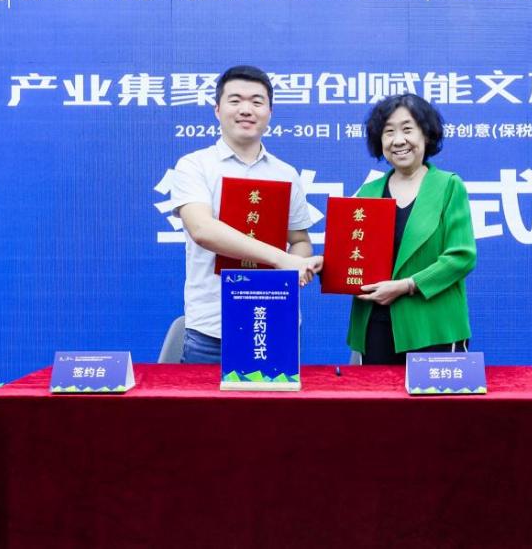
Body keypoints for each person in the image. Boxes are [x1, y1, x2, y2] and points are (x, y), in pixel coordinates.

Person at [170, 65, 322, 363]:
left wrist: (298, 265)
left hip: (276, 320)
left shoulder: (285, 173)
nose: (246, 109)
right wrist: (281, 259)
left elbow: (300, 240)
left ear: (269, 112)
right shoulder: (194, 165)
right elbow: (202, 229)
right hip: (212, 328)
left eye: (256, 101)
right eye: (235, 100)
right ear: (217, 110)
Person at [347, 94, 477, 364]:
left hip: (433, 326)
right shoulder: (367, 193)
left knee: (431, 396)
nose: (398, 140)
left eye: (407, 129)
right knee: (375, 394)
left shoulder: (449, 186)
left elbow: (461, 257)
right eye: (388, 132)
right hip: (374, 325)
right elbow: (353, 257)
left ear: (426, 135)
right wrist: (325, 265)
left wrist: (406, 285)